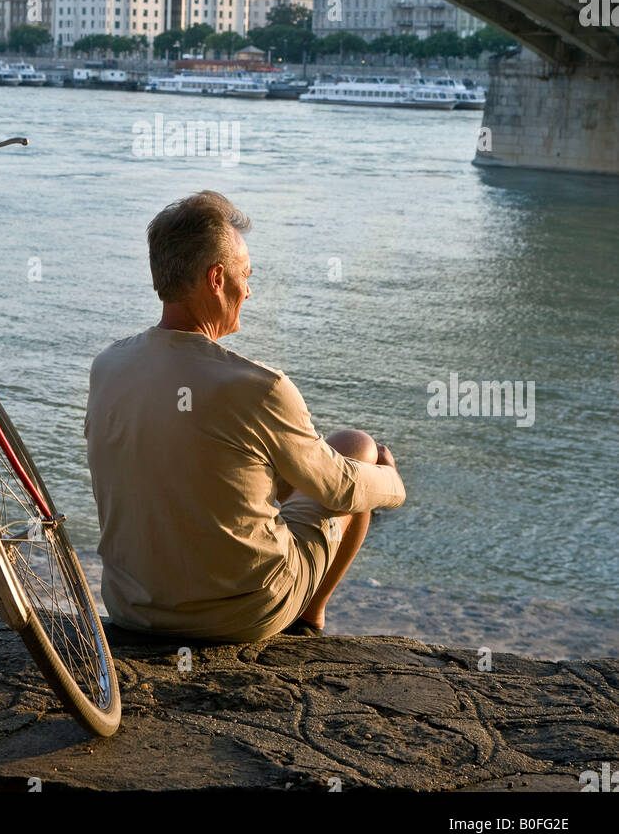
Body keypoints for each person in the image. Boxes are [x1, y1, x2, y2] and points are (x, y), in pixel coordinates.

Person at [84, 192, 406, 643]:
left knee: (270, 466)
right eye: (245, 275)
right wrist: (392, 482)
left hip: (132, 607)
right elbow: (345, 489)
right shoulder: (258, 387)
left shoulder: (107, 366)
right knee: (356, 448)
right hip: (243, 613)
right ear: (217, 278)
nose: (249, 291)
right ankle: (309, 618)